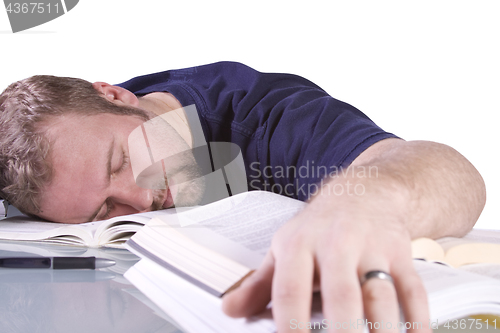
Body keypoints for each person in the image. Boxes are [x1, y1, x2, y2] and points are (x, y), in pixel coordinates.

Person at [0, 61, 486, 332]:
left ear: (115, 94)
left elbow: (451, 174)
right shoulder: (70, 143)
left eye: (119, 162)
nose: (141, 200)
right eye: (105, 210)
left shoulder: (259, 114)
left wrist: (363, 203)